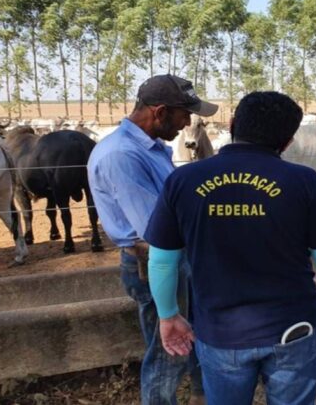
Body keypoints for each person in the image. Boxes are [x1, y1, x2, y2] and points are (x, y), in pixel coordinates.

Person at [144, 91, 316, 405]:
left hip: (220, 335)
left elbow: (161, 260)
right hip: (294, 331)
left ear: (232, 124)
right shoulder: (304, 181)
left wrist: (168, 315)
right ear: (287, 141)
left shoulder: (183, 180)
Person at [87, 74, 218, 405]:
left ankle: (204, 396)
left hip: (172, 259)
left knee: (190, 335)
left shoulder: (150, 148)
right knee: (167, 352)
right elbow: (155, 229)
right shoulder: (122, 155)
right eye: (184, 114)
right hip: (155, 262)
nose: (188, 122)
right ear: (160, 112)